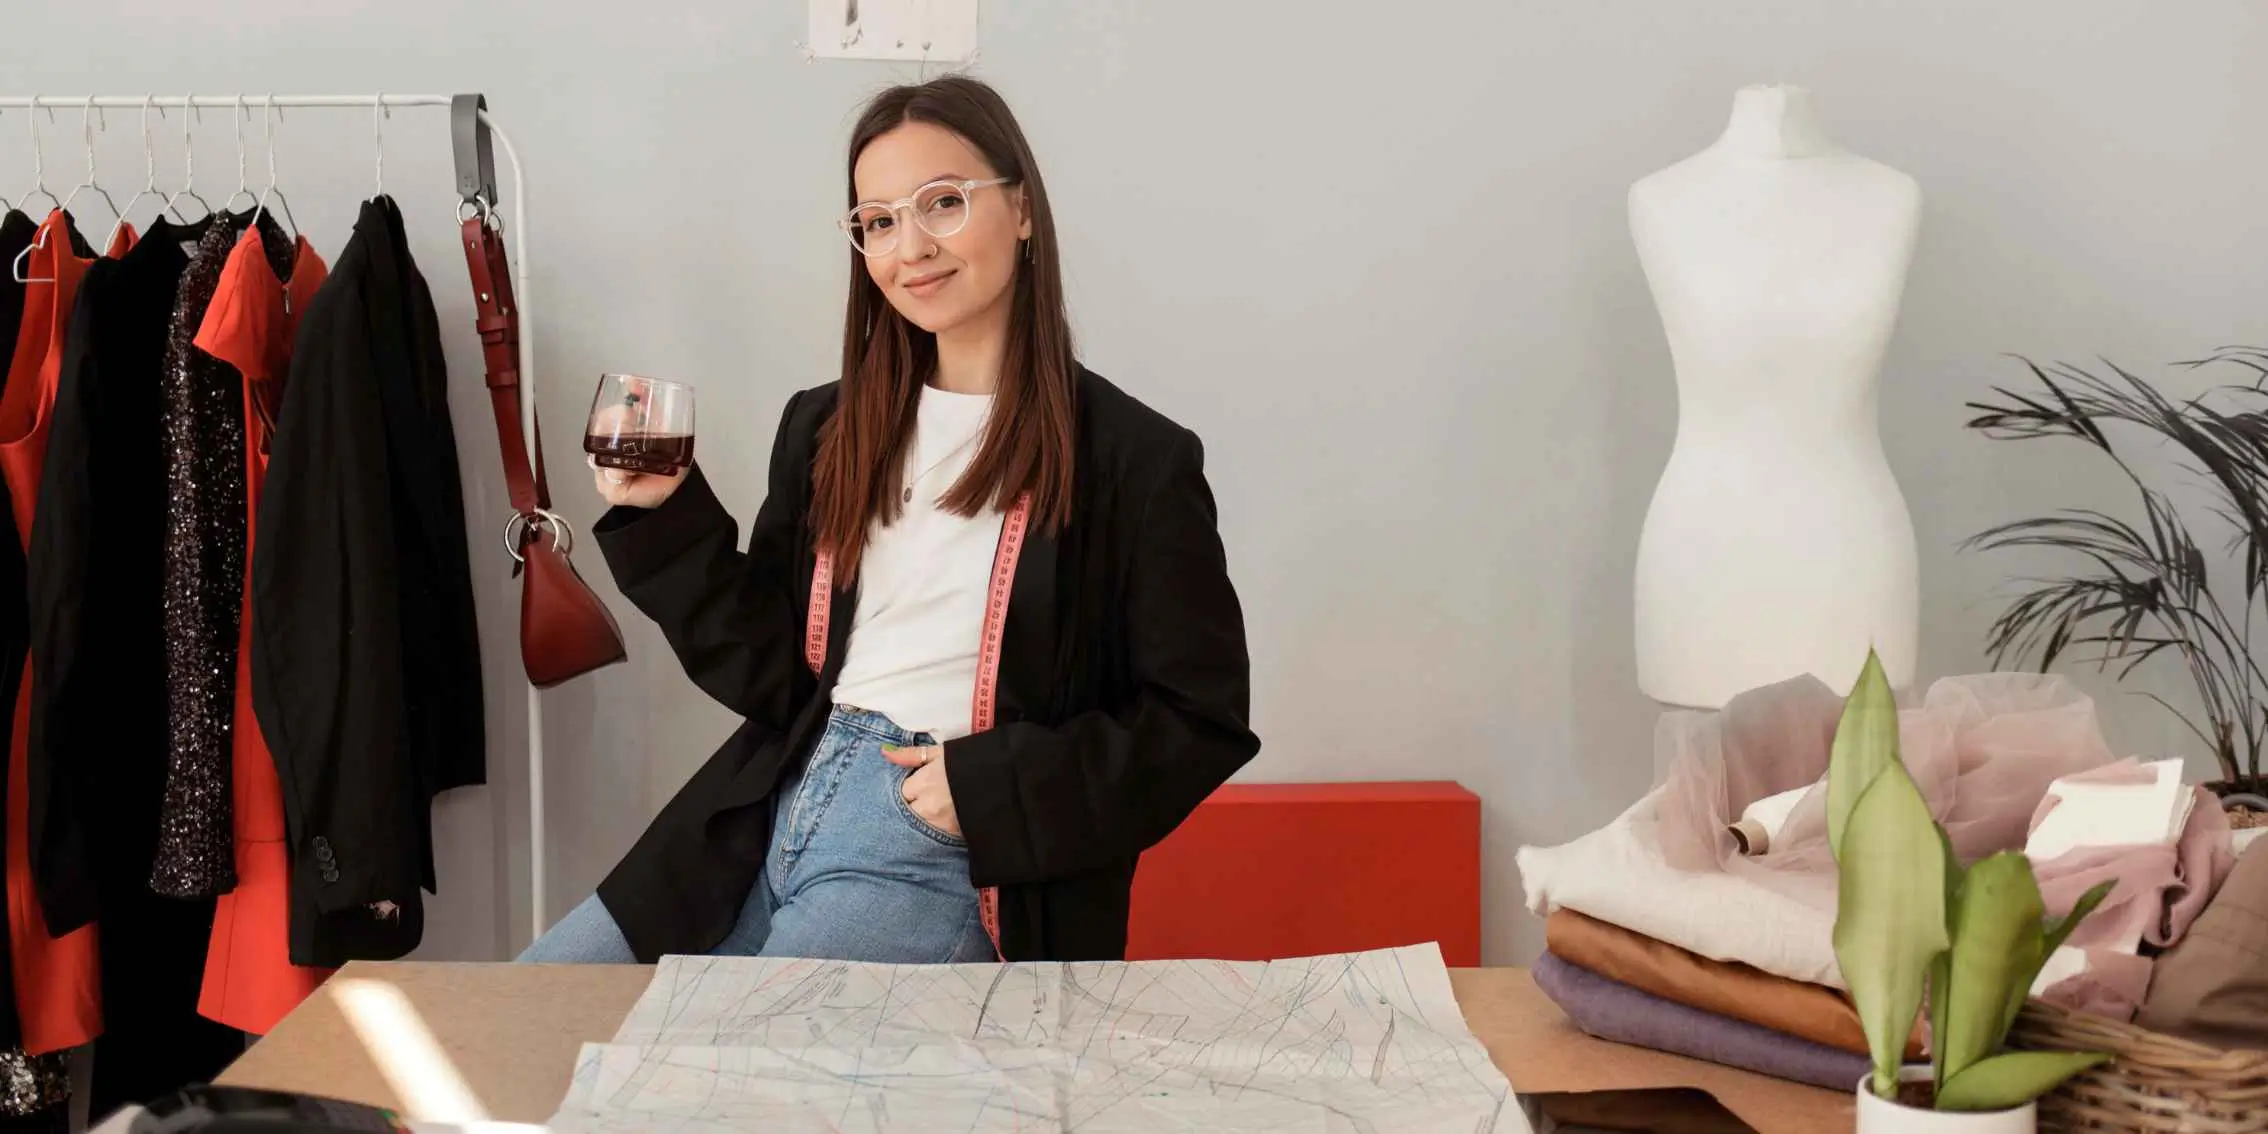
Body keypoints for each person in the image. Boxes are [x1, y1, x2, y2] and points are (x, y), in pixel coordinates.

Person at [518, 75, 1258, 964]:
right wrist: (664, 513)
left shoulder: (1136, 460)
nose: (911, 246)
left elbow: (1199, 719)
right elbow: (776, 673)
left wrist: (990, 790)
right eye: (877, 221)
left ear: (1022, 210)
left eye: (942, 203)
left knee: (732, 1092)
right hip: (768, 809)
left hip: (936, 851)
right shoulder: (828, 425)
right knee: (529, 1024)